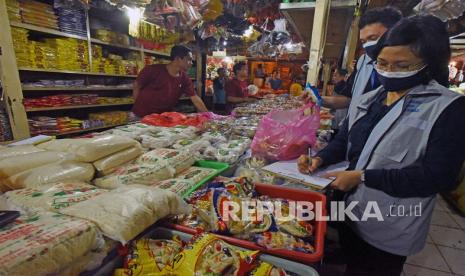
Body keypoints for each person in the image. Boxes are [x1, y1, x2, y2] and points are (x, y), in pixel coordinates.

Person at [299, 15, 465, 275]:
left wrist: (363, 177)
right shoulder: (374, 97)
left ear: (428, 65)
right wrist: (320, 158)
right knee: (351, 261)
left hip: (391, 223)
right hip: (353, 210)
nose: (388, 71)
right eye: (382, 63)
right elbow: (345, 138)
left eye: (401, 65)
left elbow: (438, 176)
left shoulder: (448, 109)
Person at [321, 7, 402, 111]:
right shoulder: (362, 62)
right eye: (363, 42)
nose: (368, 45)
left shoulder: (407, 70)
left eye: (373, 38)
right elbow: (350, 99)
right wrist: (318, 100)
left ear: (395, 33)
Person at [132, 45, 208, 117]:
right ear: (178, 59)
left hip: (163, 117)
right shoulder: (152, 70)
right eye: (189, 60)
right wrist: (138, 104)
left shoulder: (184, 78)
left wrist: (209, 116)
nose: (191, 63)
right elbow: (136, 86)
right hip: (141, 115)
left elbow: (195, 98)